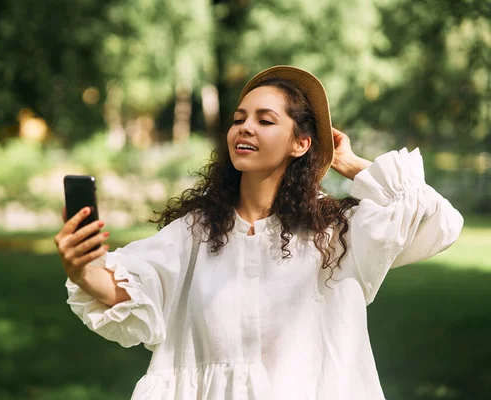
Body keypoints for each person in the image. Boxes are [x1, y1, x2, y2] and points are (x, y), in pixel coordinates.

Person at [54, 66, 463, 400]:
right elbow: (133, 292)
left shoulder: (338, 233)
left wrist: (351, 162)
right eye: (239, 119)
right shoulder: (194, 234)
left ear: (300, 143)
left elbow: (439, 222)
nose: (244, 128)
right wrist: (84, 268)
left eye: (265, 120)